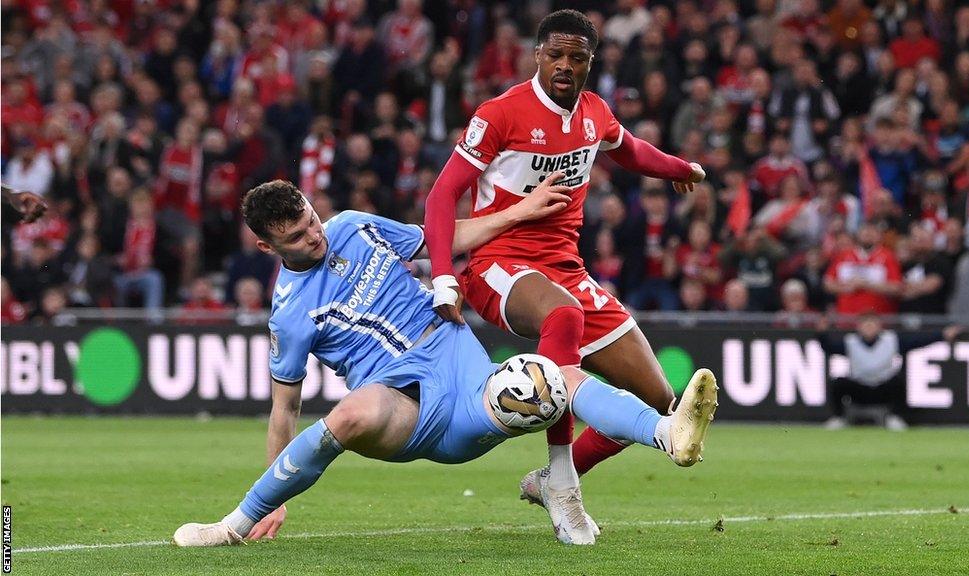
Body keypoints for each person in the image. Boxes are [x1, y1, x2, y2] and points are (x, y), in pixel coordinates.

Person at [172, 180, 718, 547]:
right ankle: (236, 524)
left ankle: (669, 434)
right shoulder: (288, 315)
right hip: (400, 406)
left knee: (550, 380)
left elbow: (442, 237)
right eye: (296, 237)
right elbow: (283, 409)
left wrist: (521, 211)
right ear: (269, 248)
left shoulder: (354, 225)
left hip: (463, 380)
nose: (314, 236)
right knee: (350, 413)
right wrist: (275, 494)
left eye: (312, 221)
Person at [422, 9, 710, 542]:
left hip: (565, 268)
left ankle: (553, 477)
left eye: (576, 57)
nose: (564, 65)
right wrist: (443, 276)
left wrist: (677, 168)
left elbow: (631, 151)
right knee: (564, 314)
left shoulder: (595, 114)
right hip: (497, 265)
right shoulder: (501, 113)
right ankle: (564, 485)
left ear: (590, 63)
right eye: (555, 54)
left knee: (658, 402)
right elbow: (441, 195)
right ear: (538, 55)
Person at [817, 314, 960, 431]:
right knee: (838, 383)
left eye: (872, 324)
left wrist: (941, 335)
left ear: (879, 327)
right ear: (858, 327)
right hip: (859, 388)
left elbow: (918, 341)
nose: (869, 328)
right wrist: (821, 333)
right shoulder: (850, 342)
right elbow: (829, 347)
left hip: (882, 388)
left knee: (898, 381)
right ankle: (838, 418)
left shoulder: (891, 340)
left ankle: (895, 417)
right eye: (866, 325)